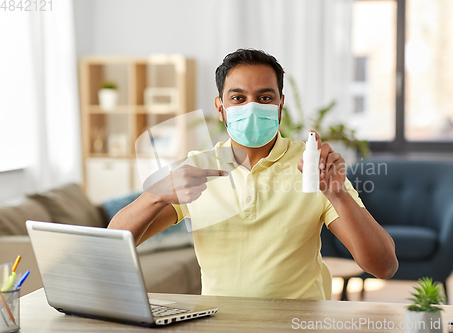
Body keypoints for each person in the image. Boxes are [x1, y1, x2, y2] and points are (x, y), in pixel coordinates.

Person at [108, 49, 398, 300]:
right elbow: (112, 246)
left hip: (299, 323)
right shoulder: (195, 169)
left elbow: (383, 267)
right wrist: (155, 196)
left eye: (265, 97)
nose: (252, 107)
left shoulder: (314, 168)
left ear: (280, 105)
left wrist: (338, 194)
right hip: (220, 321)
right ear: (220, 109)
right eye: (238, 98)